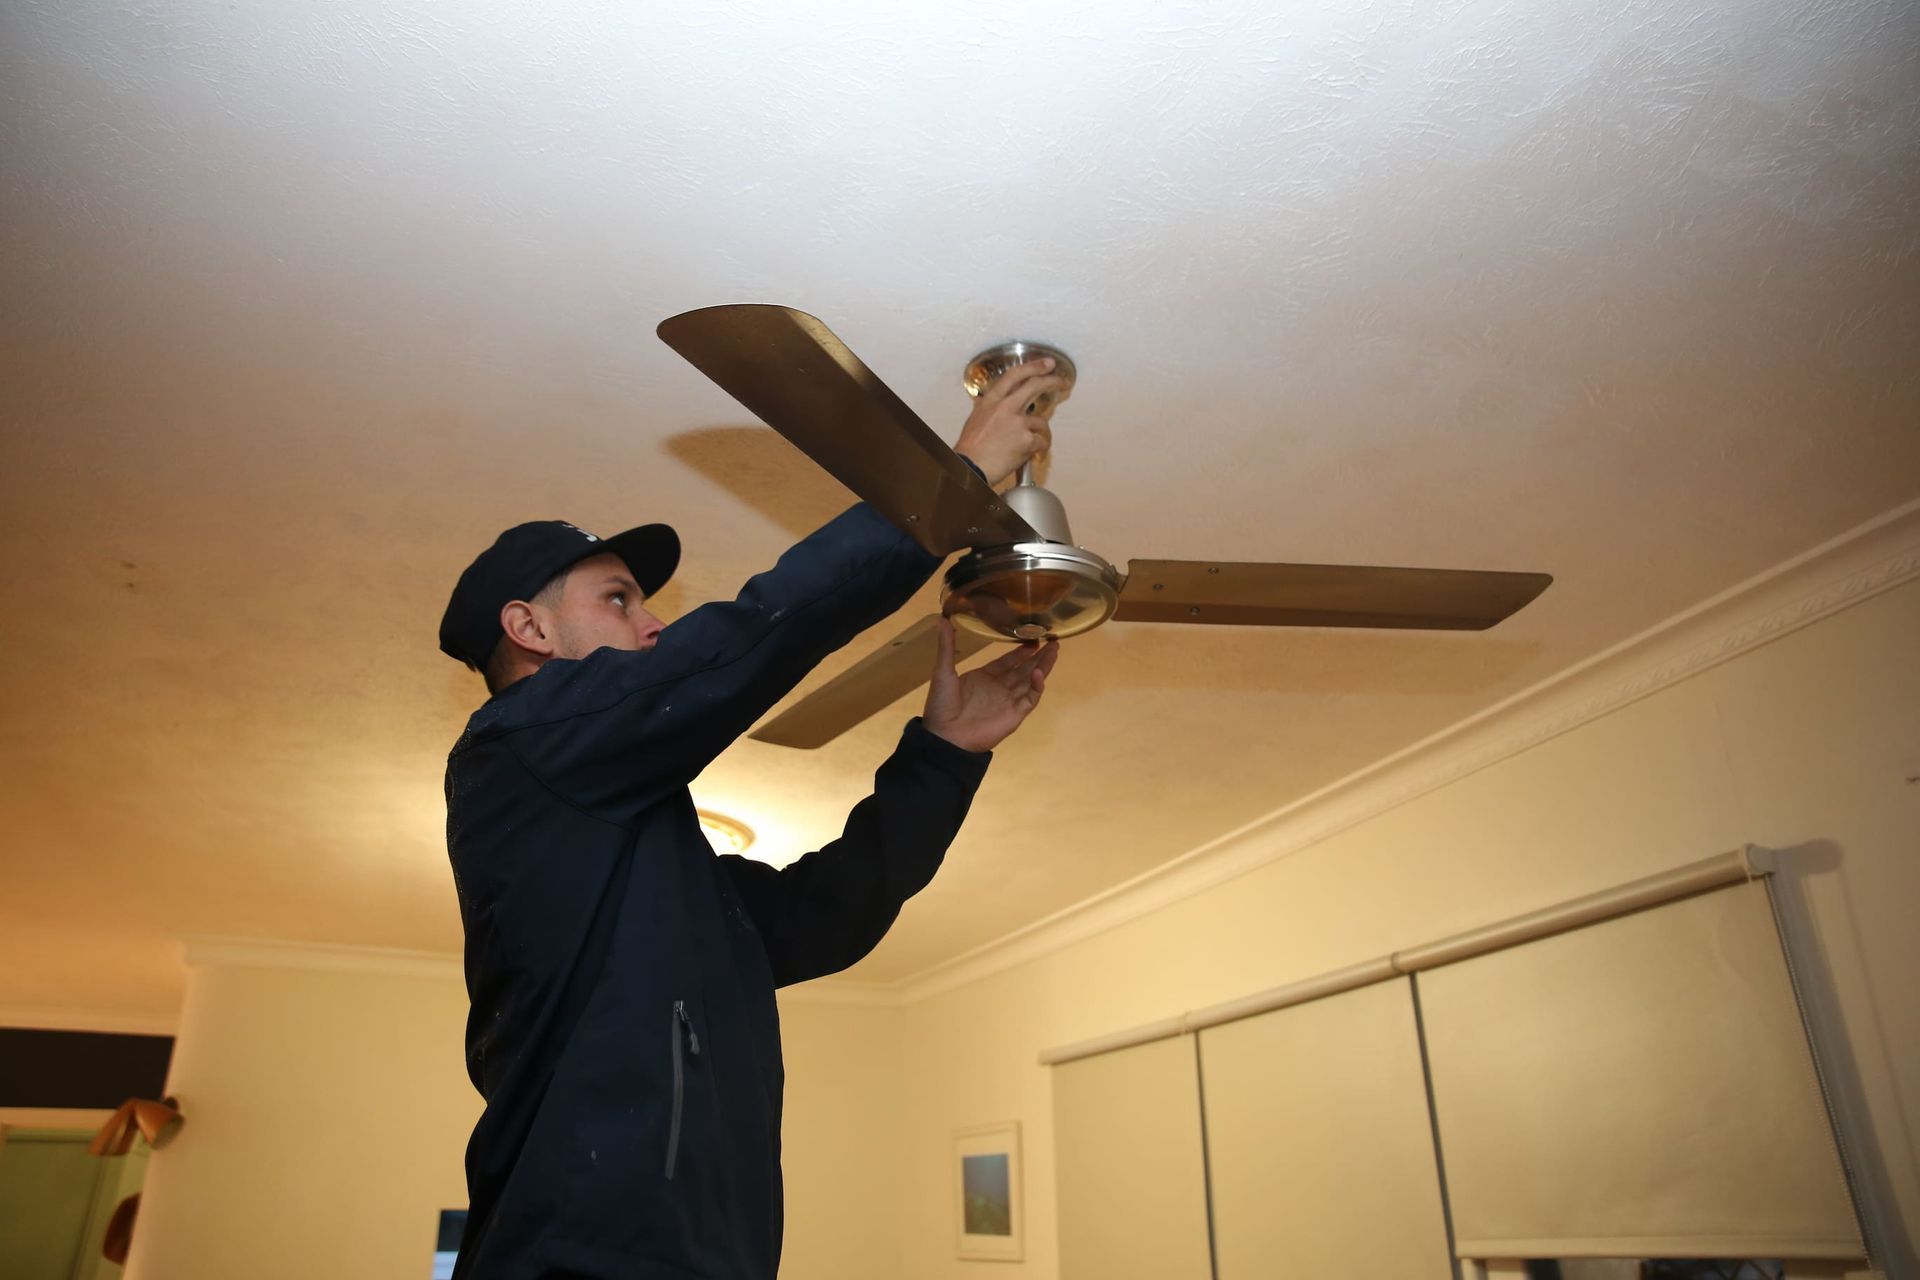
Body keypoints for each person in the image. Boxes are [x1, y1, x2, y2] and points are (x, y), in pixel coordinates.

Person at [436, 359, 1068, 1279]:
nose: (652, 625)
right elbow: (740, 642)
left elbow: (829, 916)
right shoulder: (513, 751)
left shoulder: (643, 860)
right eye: (618, 599)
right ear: (528, 631)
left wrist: (944, 755)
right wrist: (948, 487)